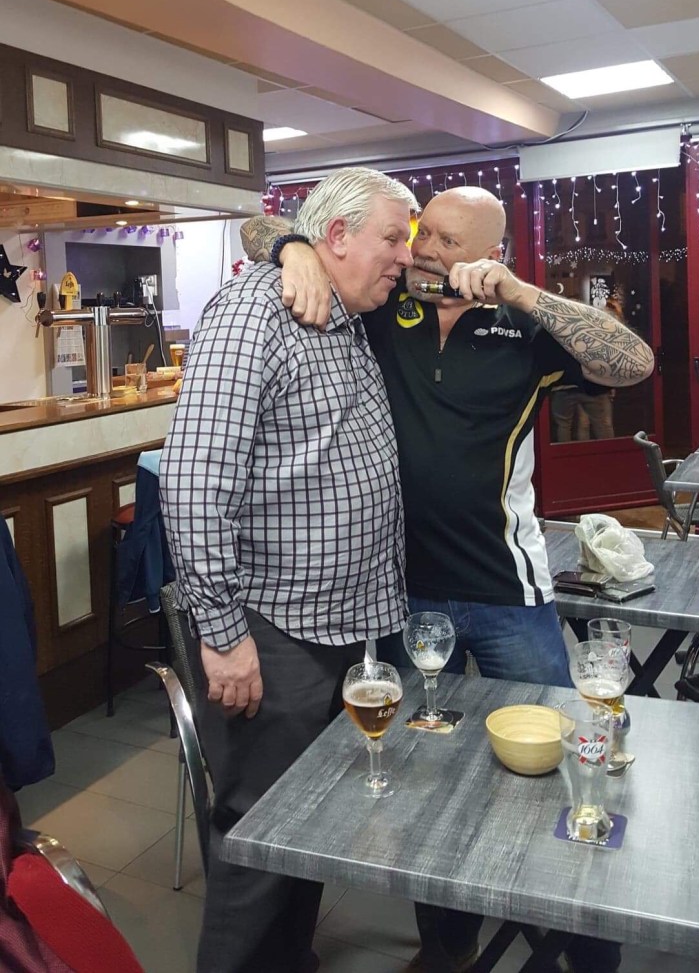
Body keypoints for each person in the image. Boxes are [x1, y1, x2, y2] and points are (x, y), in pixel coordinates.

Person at [243, 185, 654, 973]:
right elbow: (256, 225)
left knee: (563, 760)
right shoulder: (383, 300)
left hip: (507, 592)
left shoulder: (523, 327)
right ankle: (448, 943)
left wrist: (521, 292)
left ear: (489, 254)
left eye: (446, 241)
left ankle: (584, 944)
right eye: (420, 231)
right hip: (400, 592)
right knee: (417, 772)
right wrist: (296, 250)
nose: (423, 249)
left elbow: (630, 361)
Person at [159, 166, 418, 973]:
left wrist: (293, 243)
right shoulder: (255, 312)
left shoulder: (346, 309)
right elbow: (193, 485)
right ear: (336, 235)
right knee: (256, 840)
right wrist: (223, 635)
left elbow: (271, 229)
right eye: (391, 239)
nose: (404, 257)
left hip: (344, 624)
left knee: (309, 828)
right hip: (273, 631)